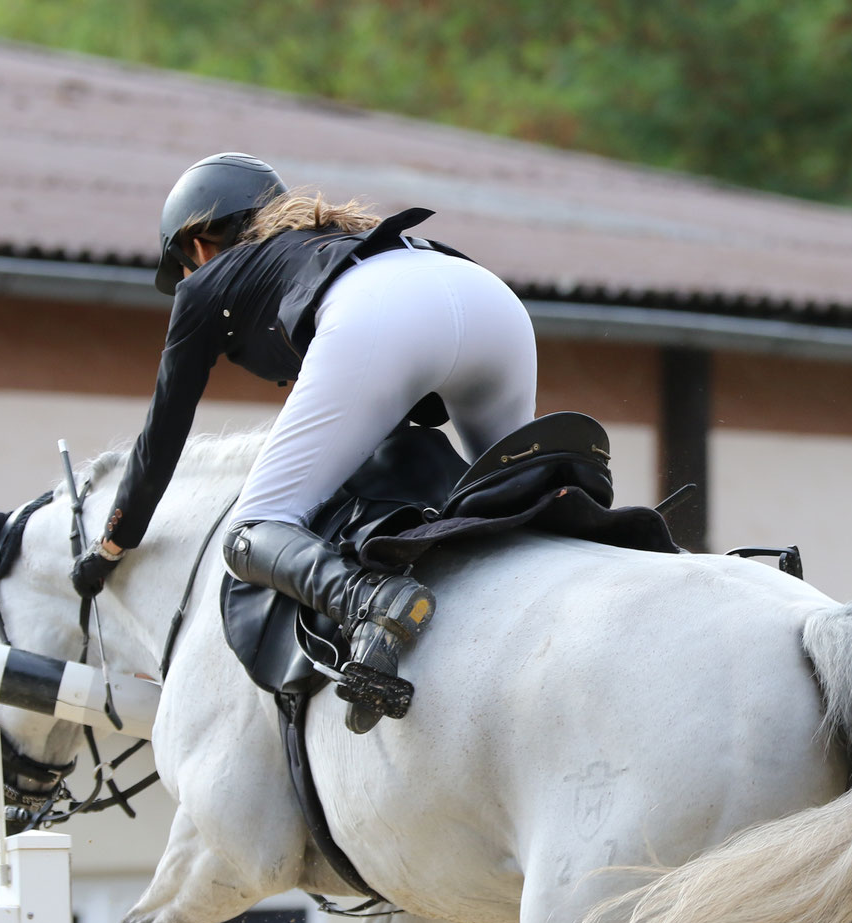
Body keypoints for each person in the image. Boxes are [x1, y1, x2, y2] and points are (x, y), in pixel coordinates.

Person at [73, 152, 538, 732]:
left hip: (385, 313)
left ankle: (371, 600)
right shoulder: (333, 242)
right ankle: (608, 539)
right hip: (491, 302)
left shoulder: (208, 285)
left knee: (250, 533)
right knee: (522, 513)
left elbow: (160, 438)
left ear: (196, 246)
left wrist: (111, 544)